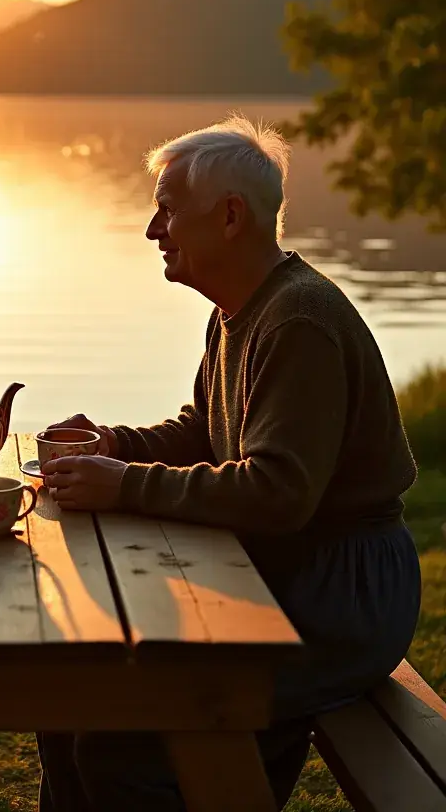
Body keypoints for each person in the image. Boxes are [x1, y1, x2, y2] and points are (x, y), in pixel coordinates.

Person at [39, 115, 421, 811]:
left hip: (340, 596)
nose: (154, 231)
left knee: (120, 740)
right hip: (286, 573)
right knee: (74, 701)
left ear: (230, 216)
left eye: (167, 211)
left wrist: (124, 484)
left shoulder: (298, 320)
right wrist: (115, 445)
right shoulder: (240, 309)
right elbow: (203, 430)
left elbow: (278, 492)